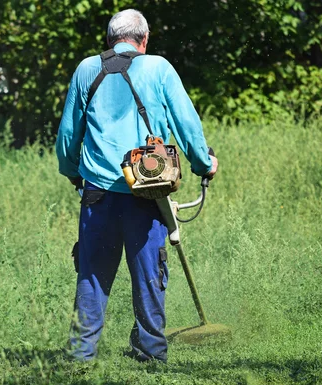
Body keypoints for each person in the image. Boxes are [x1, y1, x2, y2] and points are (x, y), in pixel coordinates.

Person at [56, 9, 218, 362]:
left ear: (110, 39)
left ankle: (80, 357)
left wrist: (72, 172)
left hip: (97, 193)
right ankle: (150, 354)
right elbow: (186, 124)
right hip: (146, 192)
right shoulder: (158, 68)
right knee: (149, 274)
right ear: (144, 39)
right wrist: (205, 163)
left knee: (93, 276)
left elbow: (68, 134)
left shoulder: (87, 69)